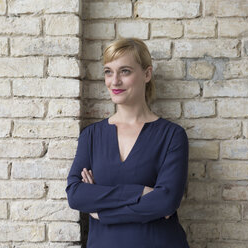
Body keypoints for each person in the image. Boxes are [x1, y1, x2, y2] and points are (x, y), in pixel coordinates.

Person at [66, 38, 190, 248]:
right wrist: (141, 192)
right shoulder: (91, 136)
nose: (114, 81)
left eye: (125, 71)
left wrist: (102, 212)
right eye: (108, 71)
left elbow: (166, 201)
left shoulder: (172, 136)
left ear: (147, 74)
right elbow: (76, 195)